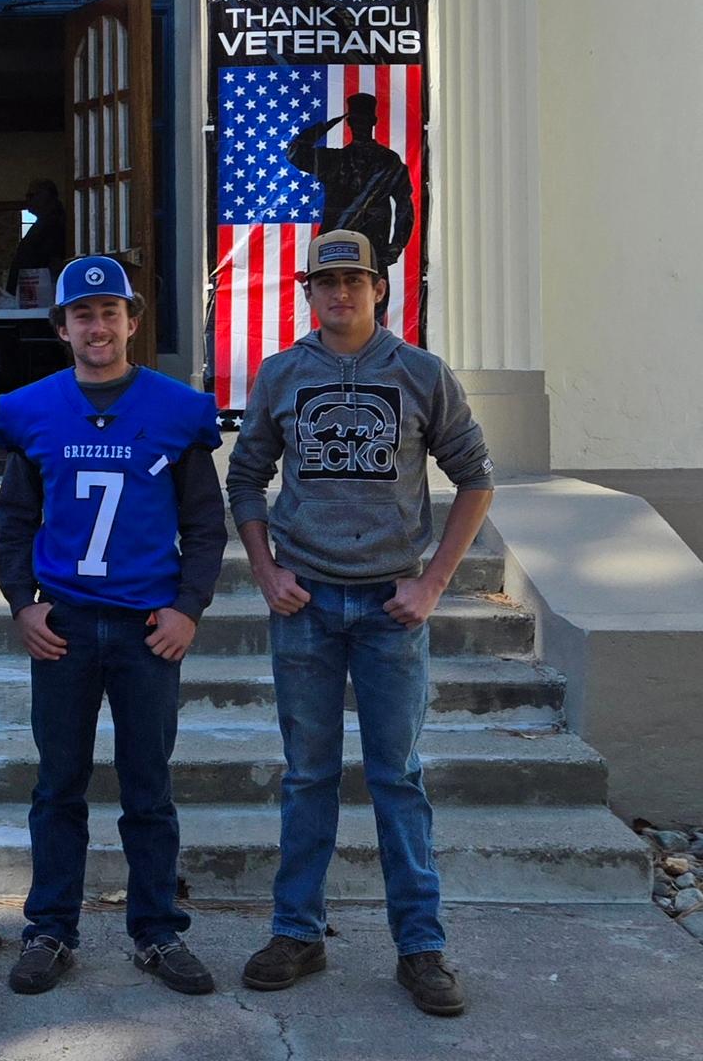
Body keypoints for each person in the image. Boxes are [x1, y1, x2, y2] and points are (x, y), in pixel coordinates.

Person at [226, 229, 495, 1018]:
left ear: (380, 288)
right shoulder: (282, 374)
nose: (340, 293)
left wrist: (434, 582)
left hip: (389, 607)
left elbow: (475, 477)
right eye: (326, 282)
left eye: (354, 280)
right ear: (306, 292)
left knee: (397, 778)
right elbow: (245, 479)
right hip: (305, 602)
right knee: (307, 775)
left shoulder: (420, 373)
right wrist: (266, 570)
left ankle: (421, 946)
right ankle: (296, 932)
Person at [0, 255, 228, 998]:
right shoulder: (33, 408)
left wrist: (189, 606)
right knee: (57, 785)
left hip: (145, 627)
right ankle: (50, 928)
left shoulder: (176, 408)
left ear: (132, 321)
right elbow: (15, 519)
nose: (97, 326)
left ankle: (156, 931)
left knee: (148, 788)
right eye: (82, 314)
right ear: (61, 327)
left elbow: (205, 522)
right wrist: (21, 601)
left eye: (110, 312)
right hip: (63, 624)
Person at [286, 94, 414, 306]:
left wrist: (397, 245)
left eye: (364, 121)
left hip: (372, 250)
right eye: (355, 120)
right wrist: (327, 125)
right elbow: (294, 152)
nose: (360, 126)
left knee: (372, 309)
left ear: (373, 122)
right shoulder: (334, 160)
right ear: (349, 123)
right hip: (335, 248)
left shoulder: (388, 161)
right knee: (334, 308)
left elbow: (404, 205)